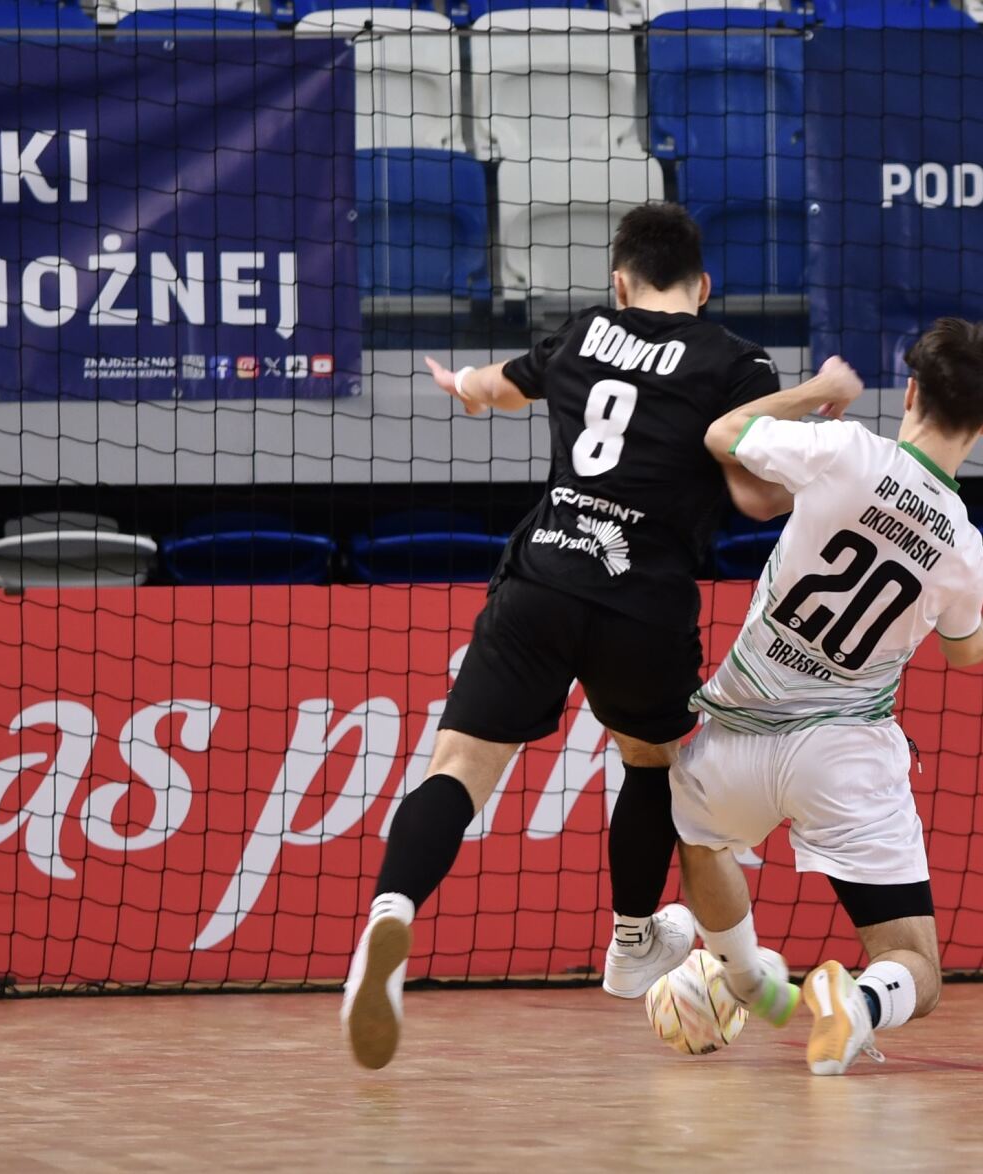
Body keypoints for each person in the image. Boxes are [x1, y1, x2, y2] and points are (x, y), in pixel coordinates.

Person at [341, 202, 859, 1070]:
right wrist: (819, 413)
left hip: (541, 580)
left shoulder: (584, 333)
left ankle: (390, 916)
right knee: (651, 762)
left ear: (620, 282)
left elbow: (494, 387)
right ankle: (630, 940)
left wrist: (460, 384)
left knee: (458, 769)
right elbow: (755, 496)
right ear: (704, 285)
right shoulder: (738, 363)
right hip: (643, 601)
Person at [668, 318, 983, 1075]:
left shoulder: (844, 450)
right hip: (844, 758)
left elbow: (723, 433)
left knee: (700, 840)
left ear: (909, 393)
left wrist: (817, 391)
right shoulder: (966, 552)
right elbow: (964, 649)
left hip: (737, 734)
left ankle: (745, 977)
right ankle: (861, 1002)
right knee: (915, 962)